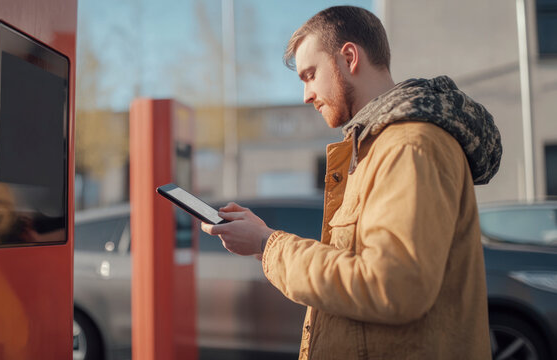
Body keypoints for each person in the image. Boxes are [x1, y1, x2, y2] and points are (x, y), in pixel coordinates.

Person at [201, 5, 501, 359]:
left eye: (310, 75)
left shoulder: (408, 146)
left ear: (348, 57)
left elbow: (392, 287)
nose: (306, 96)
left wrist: (269, 245)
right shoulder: (377, 147)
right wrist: (260, 241)